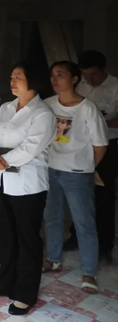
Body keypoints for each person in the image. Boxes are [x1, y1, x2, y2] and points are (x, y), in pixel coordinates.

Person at [0, 62, 55, 317]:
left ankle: (25, 293)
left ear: (33, 80)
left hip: (27, 185)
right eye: (11, 77)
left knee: (27, 239)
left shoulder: (43, 113)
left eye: (18, 77)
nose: (12, 81)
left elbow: (30, 149)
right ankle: (4, 282)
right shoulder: (5, 108)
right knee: (6, 236)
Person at [44, 61, 107, 295]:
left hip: (77, 174)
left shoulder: (87, 108)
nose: (55, 79)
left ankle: (89, 272)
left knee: (84, 223)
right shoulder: (47, 104)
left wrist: (86, 166)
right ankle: (53, 259)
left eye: (60, 74)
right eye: (52, 74)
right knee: (52, 218)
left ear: (74, 79)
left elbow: (100, 145)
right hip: (51, 169)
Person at [64, 50, 118, 263]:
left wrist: (99, 121)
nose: (89, 79)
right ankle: (76, 236)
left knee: (104, 197)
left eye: (93, 74)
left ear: (104, 70)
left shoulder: (115, 87)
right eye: (85, 75)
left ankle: (104, 245)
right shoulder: (80, 86)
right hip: (81, 146)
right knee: (79, 194)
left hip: (107, 146)